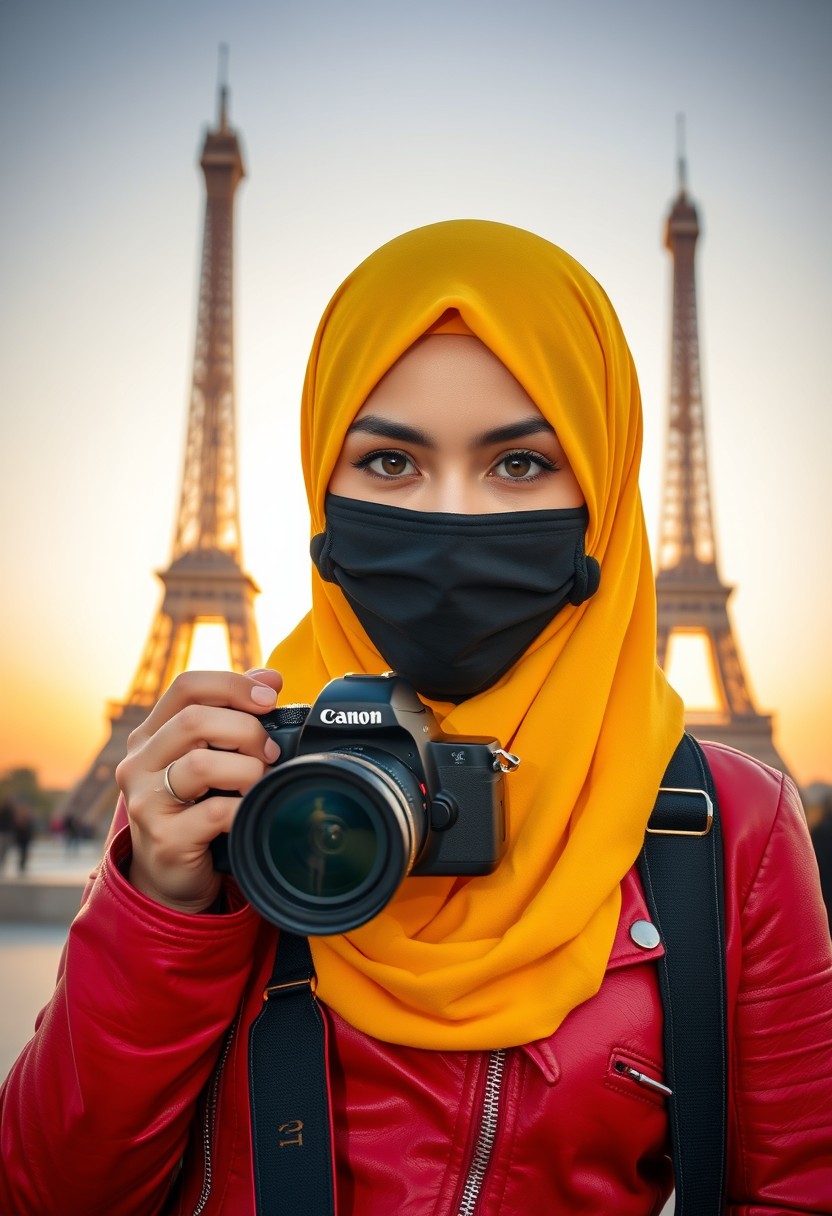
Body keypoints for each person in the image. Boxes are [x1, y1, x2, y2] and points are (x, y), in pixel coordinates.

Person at [1, 220, 830, 1214]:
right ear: (321, 486)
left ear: (602, 496)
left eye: (518, 464)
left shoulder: (726, 827)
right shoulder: (226, 786)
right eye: (390, 464)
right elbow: (49, 1193)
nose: (453, 515)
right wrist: (160, 910)